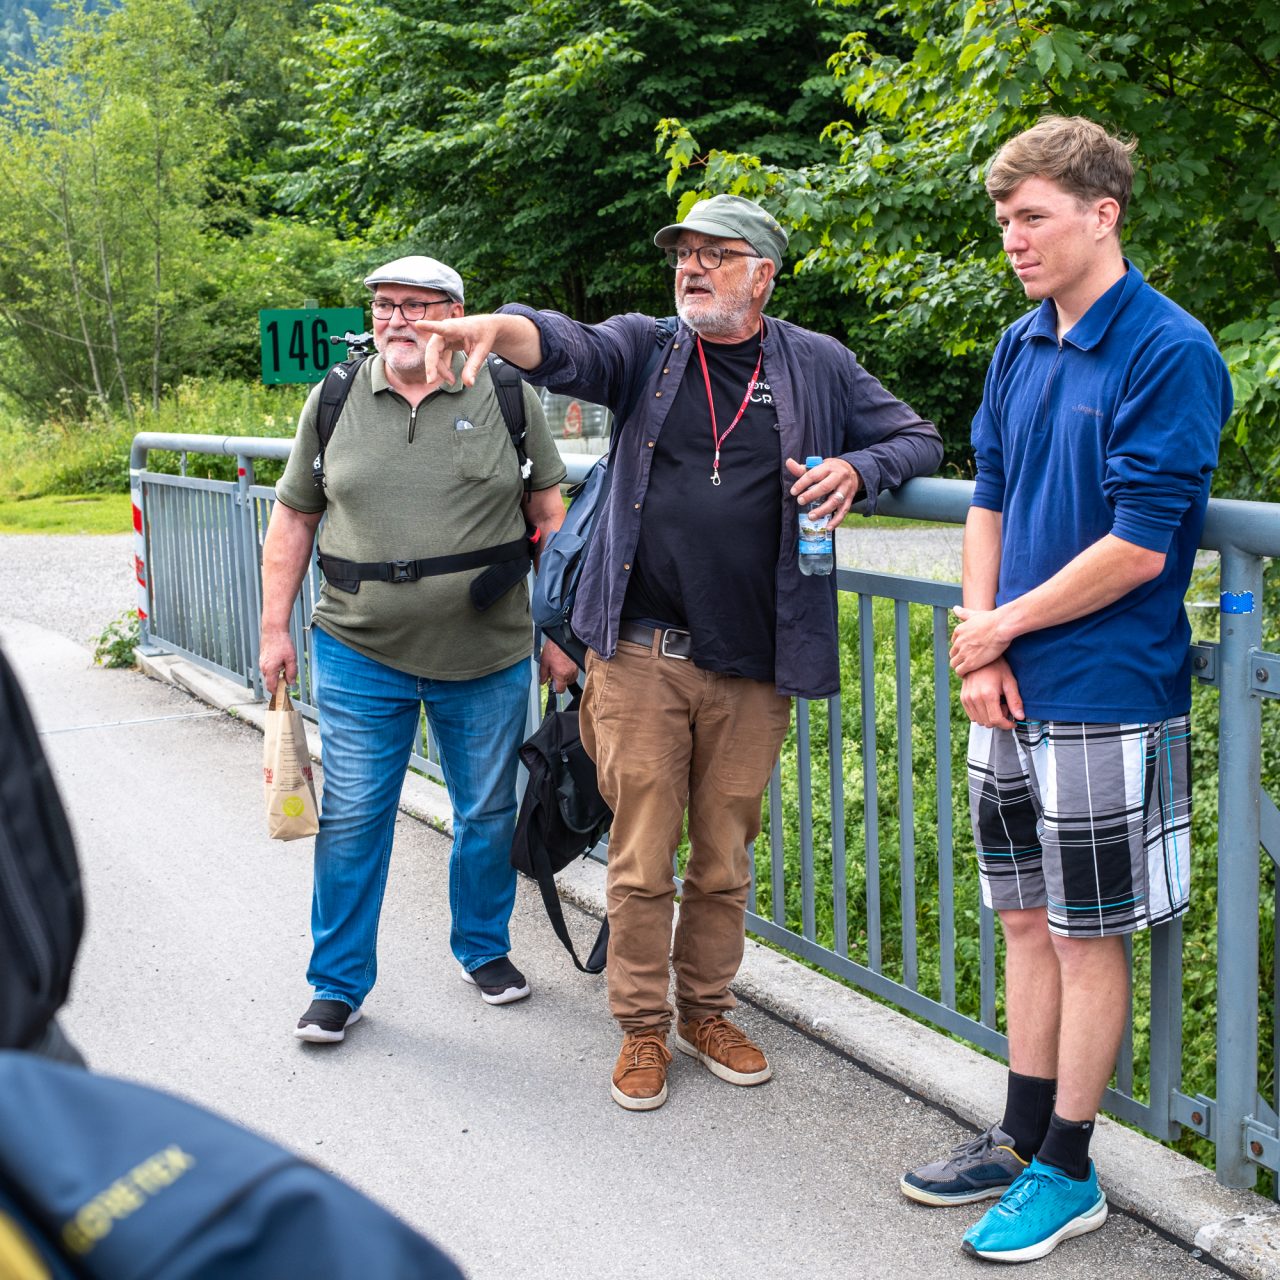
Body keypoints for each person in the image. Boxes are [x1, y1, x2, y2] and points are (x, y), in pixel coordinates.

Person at [413, 195, 942, 1110]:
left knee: (725, 857)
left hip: (755, 661)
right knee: (642, 853)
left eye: (716, 255)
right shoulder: (650, 348)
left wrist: (861, 469)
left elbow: (917, 435)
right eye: (684, 254)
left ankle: (707, 1010)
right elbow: (570, 348)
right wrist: (501, 329)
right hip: (642, 654)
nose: (692, 268)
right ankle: (643, 1029)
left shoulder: (817, 364)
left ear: (763, 274)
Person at [899, 117, 1232, 1262]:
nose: (1011, 239)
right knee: (1024, 920)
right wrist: (982, 645)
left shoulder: (1165, 348)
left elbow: (1142, 545)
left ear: (1103, 213)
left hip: (1103, 686)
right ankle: (1018, 1127)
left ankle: (1069, 1166)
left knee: (1090, 936)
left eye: (1030, 216)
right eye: (1001, 222)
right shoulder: (1019, 341)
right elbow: (986, 490)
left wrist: (1001, 624)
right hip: (1012, 683)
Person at [259, 255, 578, 1043]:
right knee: (356, 817)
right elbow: (296, 517)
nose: (397, 320)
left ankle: (482, 949)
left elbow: (550, 518)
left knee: (485, 811)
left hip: (488, 653)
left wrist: (565, 632)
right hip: (359, 650)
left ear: (456, 313)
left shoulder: (507, 395)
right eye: (383, 306)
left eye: (417, 306)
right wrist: (273, 629)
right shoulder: (335, 398)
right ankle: (337, 983)